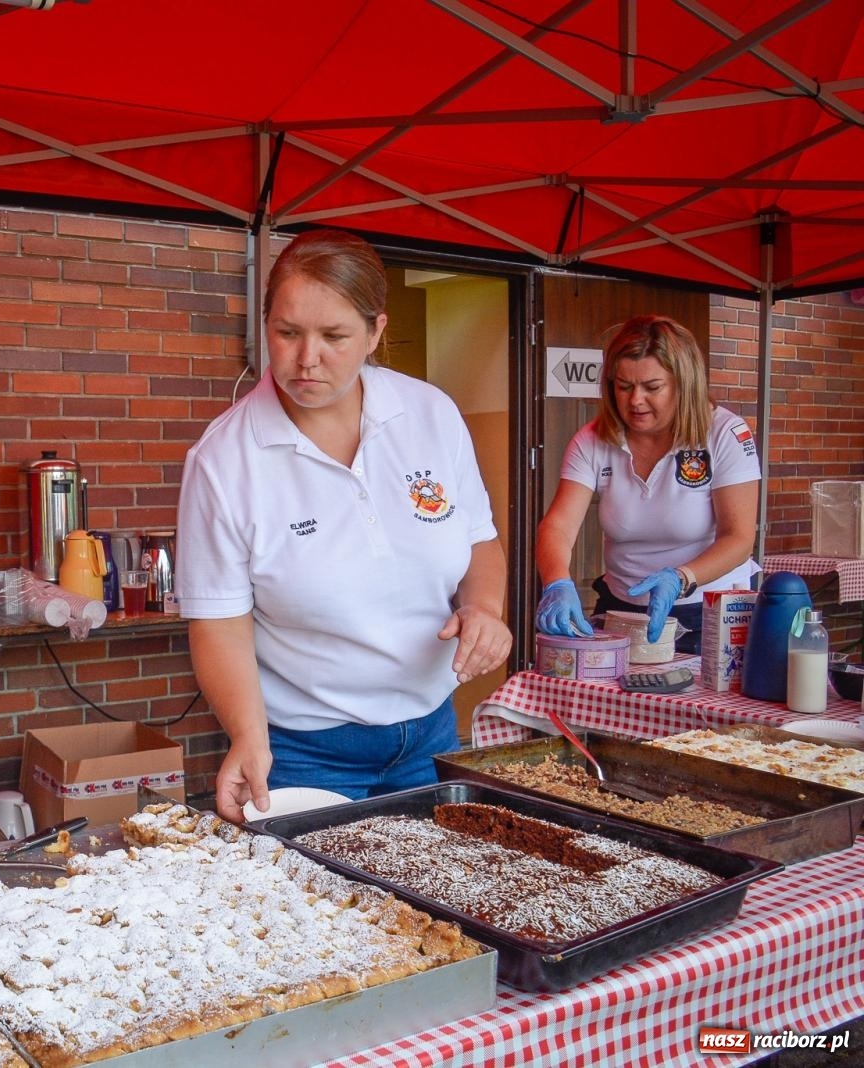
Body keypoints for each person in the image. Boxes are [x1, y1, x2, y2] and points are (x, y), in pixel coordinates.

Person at [177, 229, 512, 820]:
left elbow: (478, 539)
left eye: (334, 336)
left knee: (428, 906)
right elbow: (220, 624)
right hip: (307, 753)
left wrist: (484, 609)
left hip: (430, 735)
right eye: (287, 333)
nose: (307, 359)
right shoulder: (224, 459)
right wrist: (247, 737)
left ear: (376, 331)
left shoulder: (429, 413)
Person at [535, 314, 760, 654]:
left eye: (652, 388)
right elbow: (558, 526)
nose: (635, 400)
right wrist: (557, 581)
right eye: (623, 386)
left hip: (712, 611)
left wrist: (681, 578)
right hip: (622, 607)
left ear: (684, 384)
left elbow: (739, 538)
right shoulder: (592, 440)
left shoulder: (725, 434)